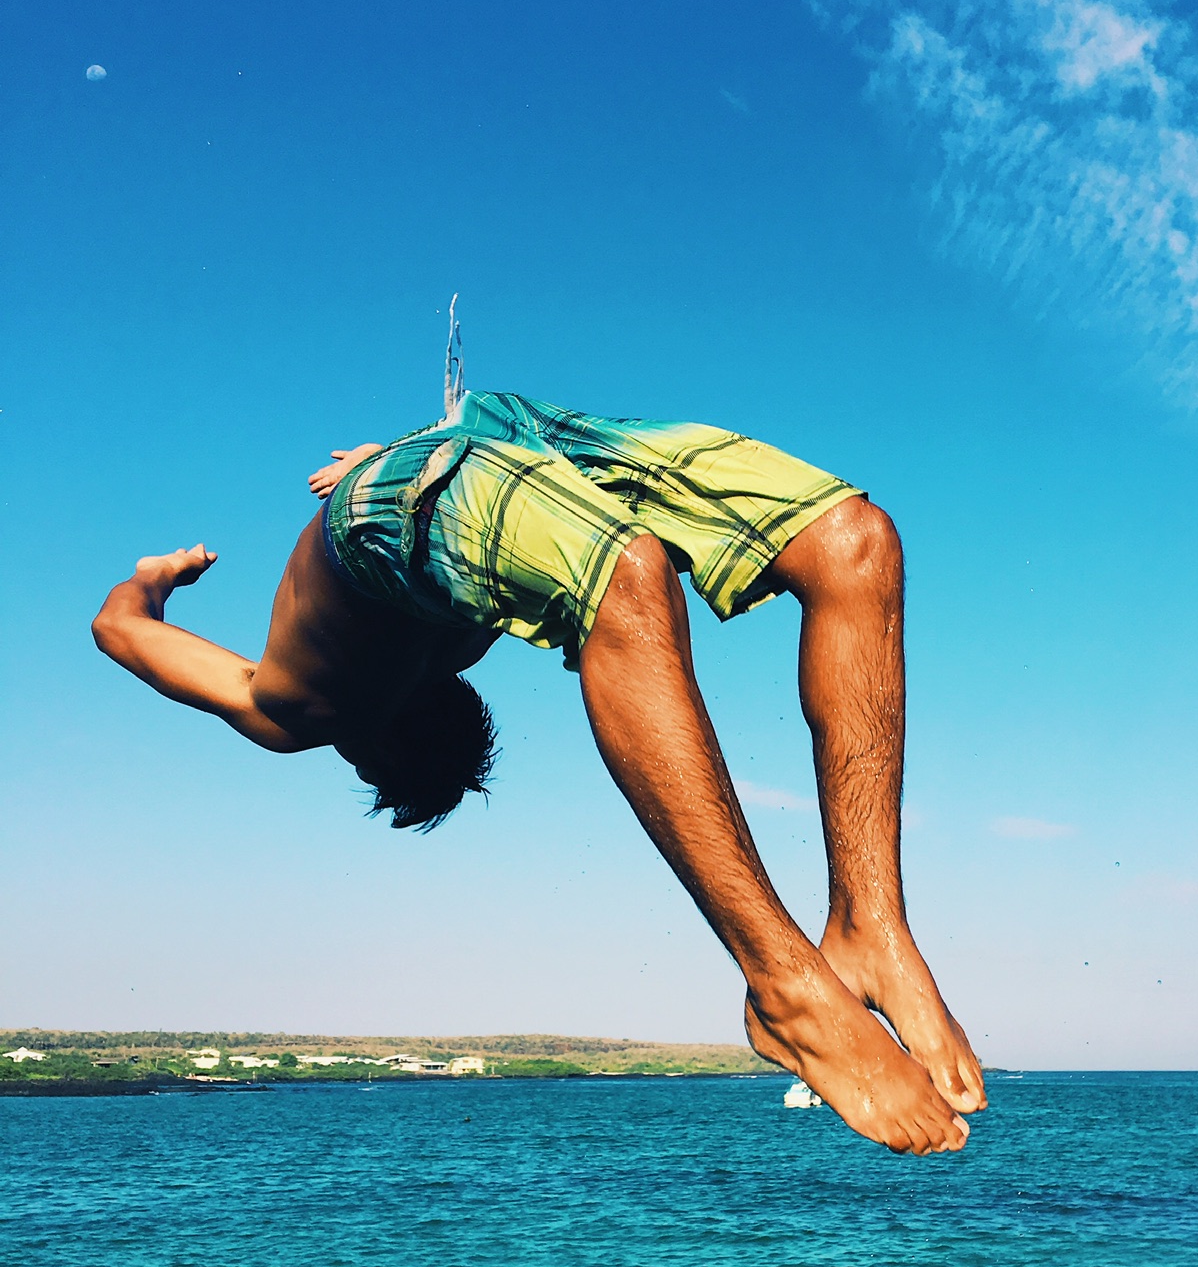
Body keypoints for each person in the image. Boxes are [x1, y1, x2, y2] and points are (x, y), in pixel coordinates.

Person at [92, 381, 985, 1154]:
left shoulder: (300, 708)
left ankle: (869, 930)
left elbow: (118, 626)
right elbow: (127, 628)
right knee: (848, 541)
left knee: (786, 551)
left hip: (425, 473)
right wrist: (166, 570)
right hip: (467, 448)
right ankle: (801, 974)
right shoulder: (382, 667)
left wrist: (159, 572)